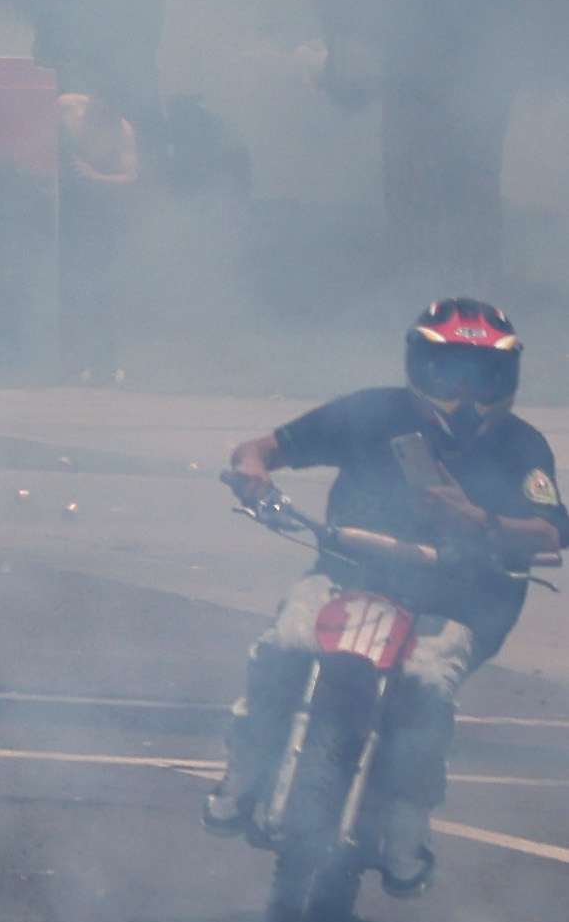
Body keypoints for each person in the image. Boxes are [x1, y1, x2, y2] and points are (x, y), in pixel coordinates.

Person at [205, 296, 563, 885]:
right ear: (421, 368)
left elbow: (551, 529)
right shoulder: (372, 413)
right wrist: (253, 472)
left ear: (507, 376)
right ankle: (244, 767)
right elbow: (263, 447)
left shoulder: (523, 447)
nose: (467, 389)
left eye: (483, 374)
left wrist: (478, 521)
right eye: (451, 371)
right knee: (286, 643)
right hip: (350, 572)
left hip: (461, 601)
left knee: (424, 683)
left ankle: (405, 822)